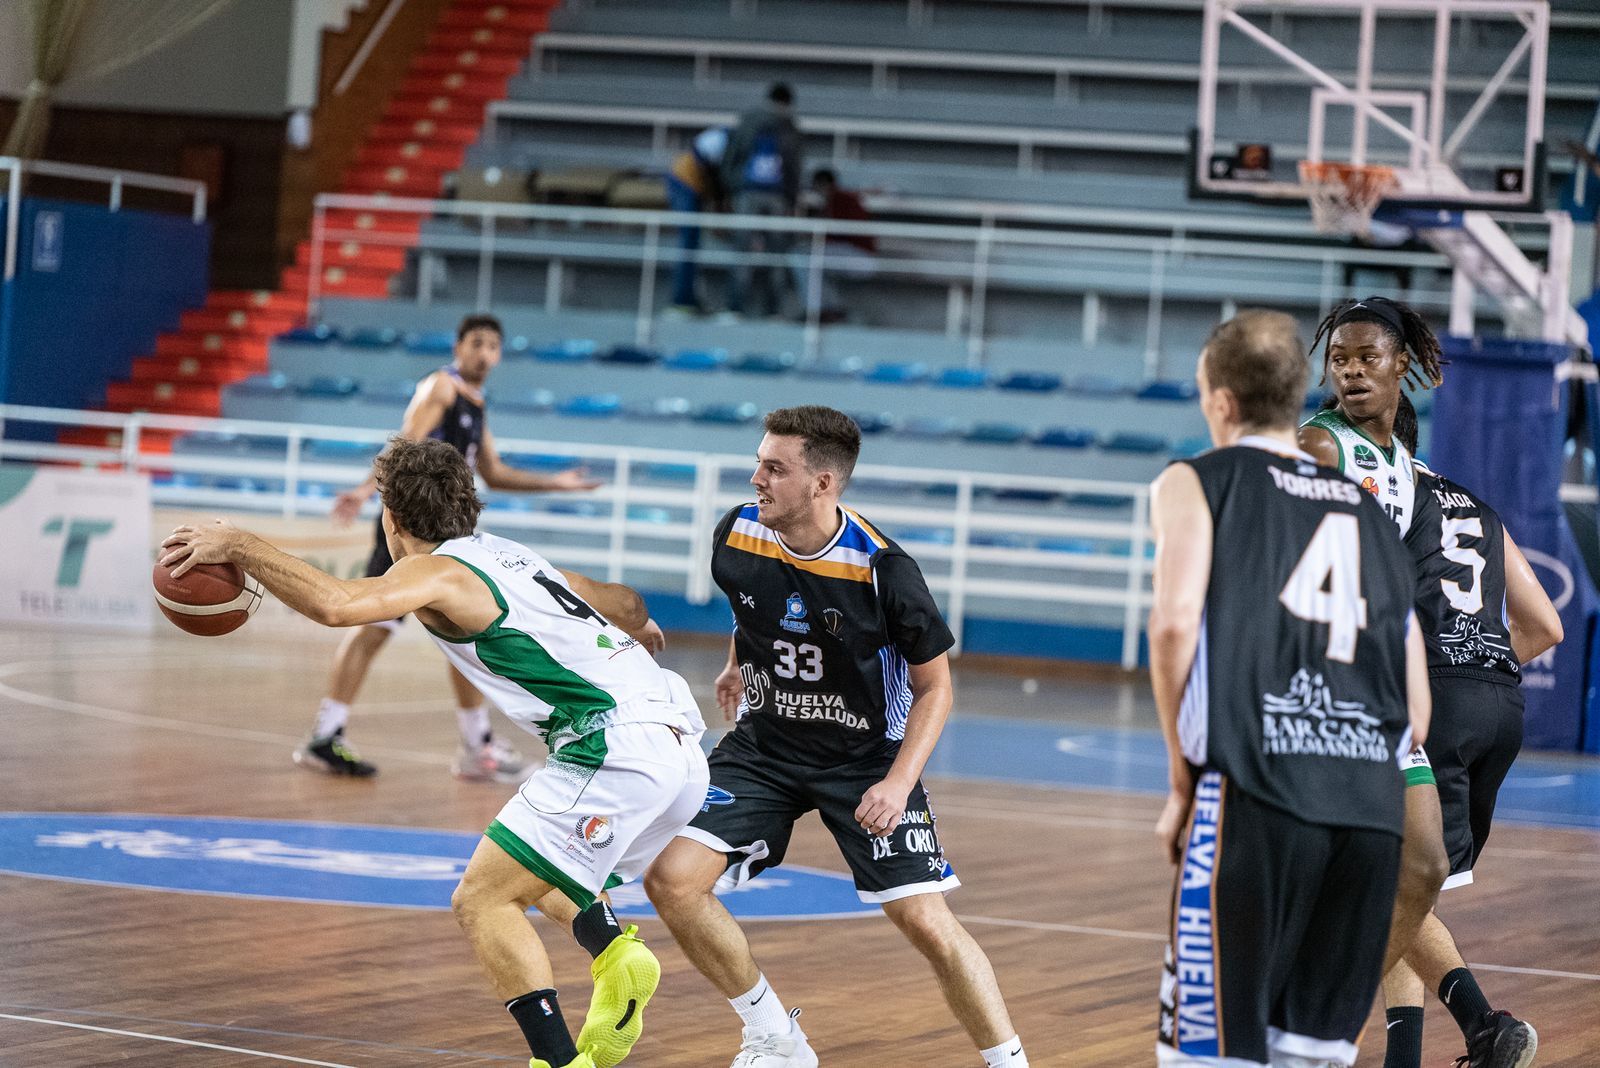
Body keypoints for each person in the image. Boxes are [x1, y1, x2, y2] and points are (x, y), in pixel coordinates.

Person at [159, 437, 709, 1068]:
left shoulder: (433, 571)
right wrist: (637, 627)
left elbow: (338, 606)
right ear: (467, 504)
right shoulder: (512, 556)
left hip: (613, 748)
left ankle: (559, 1063)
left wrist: (241, 545)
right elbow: (629, 603)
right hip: (681, 748)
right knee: (537, 865)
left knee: (481, 899)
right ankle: (616, 956)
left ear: (390, 518)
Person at [644, 405, 1028, 1068]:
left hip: (866, 761)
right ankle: (774, 1035)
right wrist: (738, 662)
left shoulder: (884, 572)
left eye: (774, 467)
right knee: (672, 881)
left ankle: (1010, 1063)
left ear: (822, 484)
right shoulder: (737, 534)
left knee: (926, 924)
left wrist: (897, 782)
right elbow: (754, 609)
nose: (755, 477)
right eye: (758, 461)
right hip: (765, 747)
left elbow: (936, 689)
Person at [1150, 309, 1430, 1068]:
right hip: (1369, 814)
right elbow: (1417, 707)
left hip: (1258, 793)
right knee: (1310, 1056)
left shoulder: (1196, 479)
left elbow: (1175, 625)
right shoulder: (1370, 509)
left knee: (1212, 1054)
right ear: (1299, 388)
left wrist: (1182, 779)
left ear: (1221, 402)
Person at [305, 312, 601, 780]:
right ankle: (328, 733)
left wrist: (557, 485)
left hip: (450, 530)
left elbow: (495, 473)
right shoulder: (440, 388)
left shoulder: (476, 403)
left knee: (467, 627)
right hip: (411, 526)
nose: (484, 353)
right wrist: (367, 490)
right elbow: (404, 445)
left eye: (493, 346)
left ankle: (473, 742)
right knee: (374, 626)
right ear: (459, 347)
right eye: (477, 343)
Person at [1380, 425, 1561, 1068]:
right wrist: (1479, 669)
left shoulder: (1384, 497)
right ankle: (1406, 1055)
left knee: (1386, 882)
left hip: (1435, 700)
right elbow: (1547, 626)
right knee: (1409, 889)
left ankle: (1486, 1024)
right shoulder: (1477, 506)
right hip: (1500, 703)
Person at [721, 82, 803, 320]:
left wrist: (732, 187)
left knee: (746, 252)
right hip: (772, 195)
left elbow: (732, 155)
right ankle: (770, 310)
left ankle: (737, 308)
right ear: (787, 102)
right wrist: (793, 199)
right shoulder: (788, 125)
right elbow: (794, 165)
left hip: (752, 193)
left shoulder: (750, 119)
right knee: (774, 254)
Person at [789, 168, 878, 323]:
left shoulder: (843, 199)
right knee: (807, 259)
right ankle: (829, 309)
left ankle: (818, 311)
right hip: (848, 254)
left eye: (817, 186)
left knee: (802, 256)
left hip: (860, 257)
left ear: (823, 184)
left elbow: (843, 232)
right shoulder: (833, 201)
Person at [666, 126, 729, 315]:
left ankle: (688, 297)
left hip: (696, 189)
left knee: (692, 245)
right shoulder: (721, 138)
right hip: (683, 182)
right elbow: (702, 158)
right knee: (688, 244)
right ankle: (682, 300)